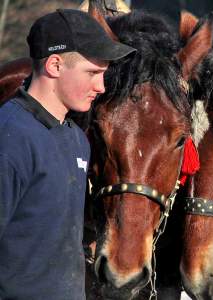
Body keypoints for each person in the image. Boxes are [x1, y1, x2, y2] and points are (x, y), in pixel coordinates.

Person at [0, 9, 135, 299]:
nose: (101, 87)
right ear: (55, 65)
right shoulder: (10, 138)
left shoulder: (76, 138)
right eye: (93, 73)